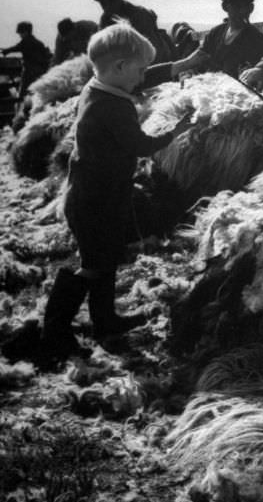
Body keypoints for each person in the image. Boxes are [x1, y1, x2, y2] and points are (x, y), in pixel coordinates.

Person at [40, 23, 192, 361]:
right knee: (93, 265)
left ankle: (105, 321)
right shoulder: (112, 107)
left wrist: (172, 68)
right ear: (121, 68)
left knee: (105, 260)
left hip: (94, 194)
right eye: (139, 71)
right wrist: (175, 131)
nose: (142, 79)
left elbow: (134, 75)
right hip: (96, 202)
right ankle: (54, 331)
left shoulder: (100, 88)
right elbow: (141, 145)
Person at [170, 0, 263, 80]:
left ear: (251, 9)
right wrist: (185, 71)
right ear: (225, 7)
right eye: (236, 7)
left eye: (246, 7)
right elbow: (197, 58)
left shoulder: (256, 39)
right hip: (210, 86)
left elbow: (262, 70)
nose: (242, 11)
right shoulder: (216, 33)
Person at [92, 0, 175, 63]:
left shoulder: (140, 14)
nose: (107, 6)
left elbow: (151, 47)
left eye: (111, 1)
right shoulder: (105, 19)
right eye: (103, 4)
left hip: (155, 59)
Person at [1, 21, 52, 99]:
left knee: (23, 94)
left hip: (29, 72)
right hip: (40, 72)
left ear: (26, 32)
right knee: (36, 93)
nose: (20, 35)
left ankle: (22, 108)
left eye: (21, 33)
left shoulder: (26, 41)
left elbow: (16, 47)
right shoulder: (38, 42)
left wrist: (5, 51)